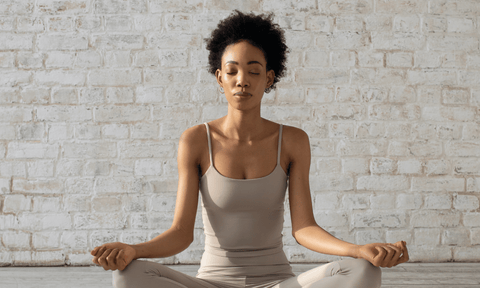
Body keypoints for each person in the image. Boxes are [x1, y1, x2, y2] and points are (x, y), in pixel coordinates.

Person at [91, 10, 409, 288]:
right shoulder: (196, 140)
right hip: (211, 283)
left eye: (254, 71)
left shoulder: (293, 141)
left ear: (269, 78)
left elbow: (305, 228)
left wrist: (358, 250)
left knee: (363, 271)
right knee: (128, 275)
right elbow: (180, 233)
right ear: (220, 78)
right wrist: (134, 250)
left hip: (279, 283)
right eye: (232, 71)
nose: (242, 80)